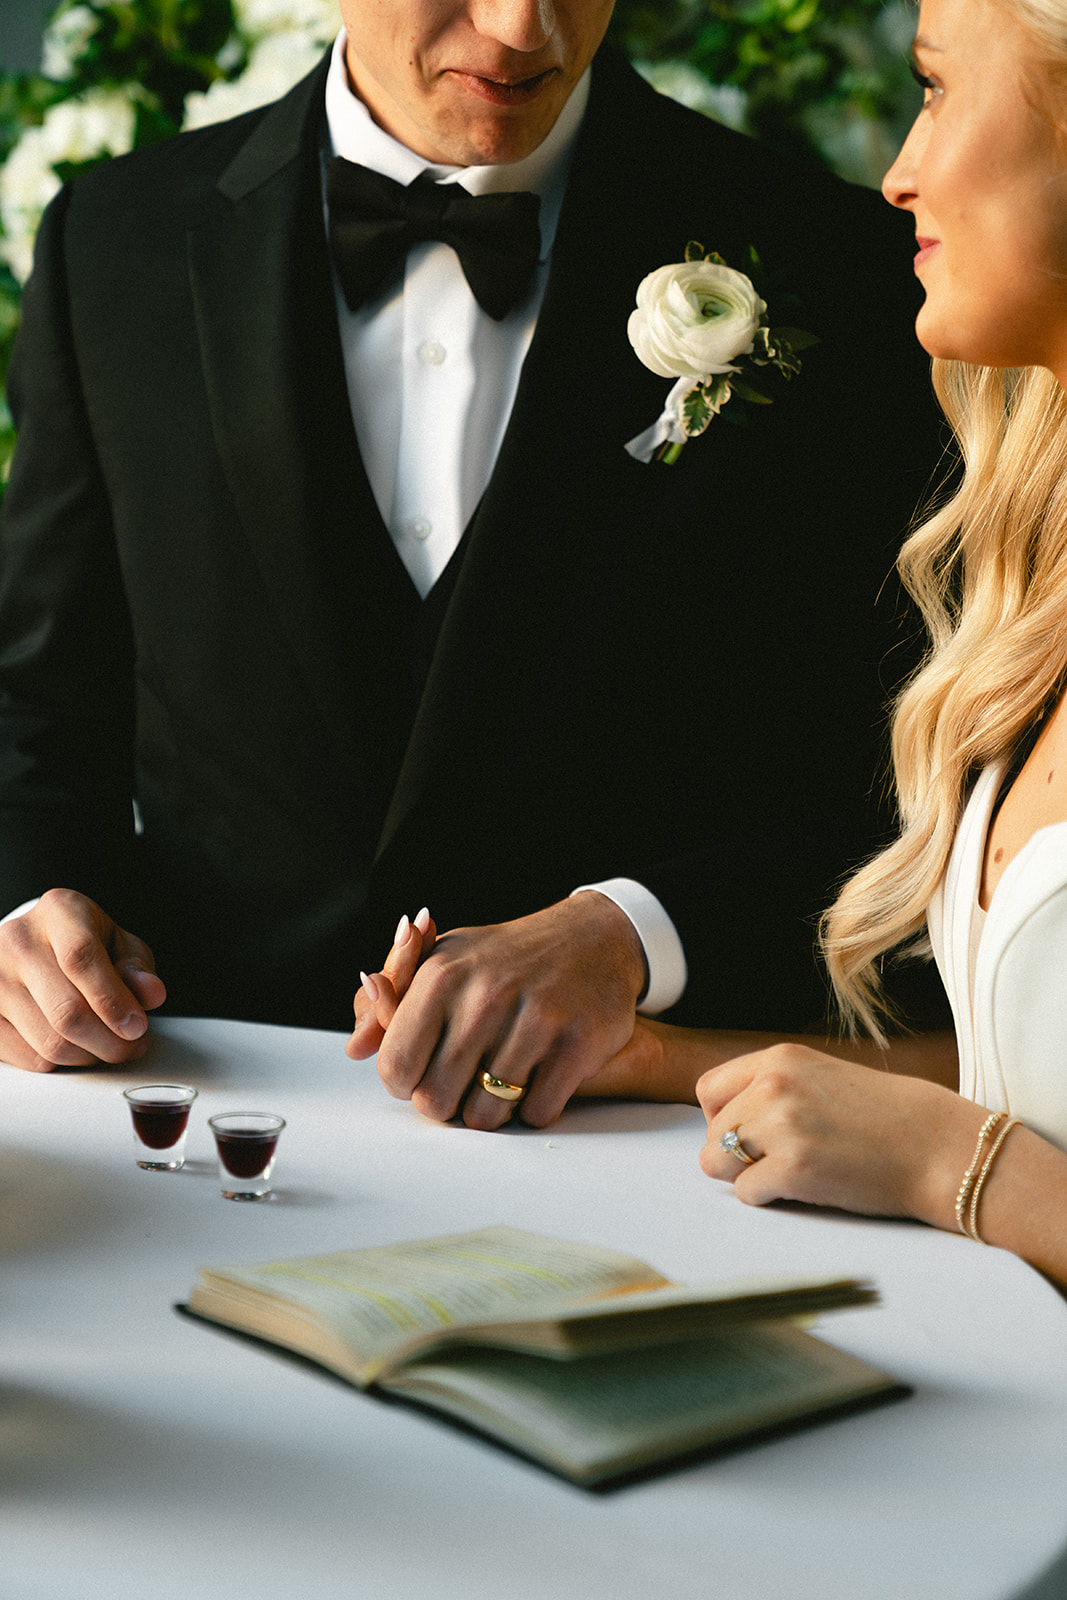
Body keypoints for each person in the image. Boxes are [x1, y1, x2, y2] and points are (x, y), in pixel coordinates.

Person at [0, 1, 937, 1097]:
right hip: (200, 1108)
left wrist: (634, 933)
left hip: (641, 1138)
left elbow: (898, 774)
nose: (518, 28)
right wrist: (26, 901)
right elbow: (40, 709)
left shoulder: (840, 267)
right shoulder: (112, 242)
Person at [377, 0, 1067, 1282]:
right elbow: (1011, 1078)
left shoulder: (809, 258)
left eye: (927, 87)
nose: (893, 173)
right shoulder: (1025, 584)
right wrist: (644, 1055)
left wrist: (951, 1169)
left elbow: (981, 1139)